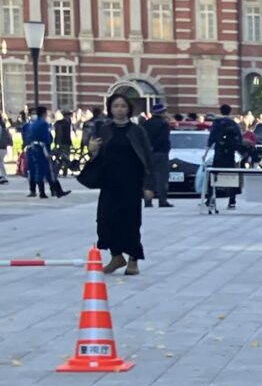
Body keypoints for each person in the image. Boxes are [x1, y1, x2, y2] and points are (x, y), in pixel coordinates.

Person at [86, 92, 152, 275]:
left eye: (123, 106)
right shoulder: (104, 130)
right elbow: (96, 156)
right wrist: (93, 150)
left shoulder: (137, 131)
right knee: (105, 221)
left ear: (128, 109)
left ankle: (133, 259)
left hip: (131, 183)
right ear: (110, 109)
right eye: (116, 106)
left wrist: (149, 186)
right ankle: (116, 257)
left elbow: (147, 158)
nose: (119, 109)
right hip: (110, 183)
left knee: (130, 223)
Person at [206, 103, 244, 213]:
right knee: (231, 176)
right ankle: (232, 200)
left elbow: (212, 138)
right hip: (230, 154)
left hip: (219, 153)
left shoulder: (217, 123)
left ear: (220, 111)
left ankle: (210, 199)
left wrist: (206, 152)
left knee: (214, 176)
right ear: (230, 111)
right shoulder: (233, 123)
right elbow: (239, 138)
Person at [22, 105, 57, 199]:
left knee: (33, 170)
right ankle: (49, 191)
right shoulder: (44, 124)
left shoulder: (28, 125)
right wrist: (48, 149)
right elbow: (48, 137)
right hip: (42, 148)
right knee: (45, 169)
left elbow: (24, 138)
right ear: (44, 113)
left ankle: (34, 190)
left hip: (31, 148)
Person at [142, 99, 172, 207]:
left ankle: (148, 201)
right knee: (161, 177)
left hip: (148, 154)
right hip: (161, 153)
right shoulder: (164, 124)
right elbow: (164, 139)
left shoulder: (146, 123)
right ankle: (162, 201)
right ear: (163, 112)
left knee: (149, 178)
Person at [52, 109, 73, 174]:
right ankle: (60, 170)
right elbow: (60, 133)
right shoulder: (62, 123)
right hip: (64, 142)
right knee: (63, 156)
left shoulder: (65, 122)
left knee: (62, 156)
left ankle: (62, 170)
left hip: (63, 142)